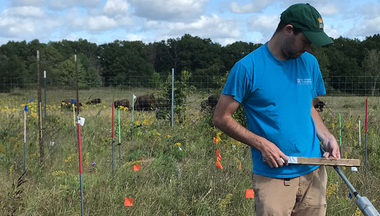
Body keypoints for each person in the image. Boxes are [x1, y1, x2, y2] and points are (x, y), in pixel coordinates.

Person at [213, 3, 340, 216]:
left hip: (313, 171)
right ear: (288, 30)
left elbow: (307, 107)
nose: (308, 49)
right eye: (306, 41)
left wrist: (327, 137)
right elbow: (221, 118)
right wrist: (261, 144)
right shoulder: (248, 68)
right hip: (274, 176)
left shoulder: (309, 63)